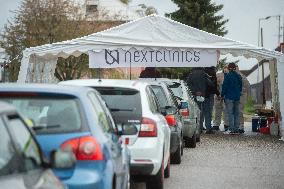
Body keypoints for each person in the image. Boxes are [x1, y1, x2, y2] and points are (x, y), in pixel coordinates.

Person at [186, 67, 214, 134]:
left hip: (195, 96)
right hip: (205, 96)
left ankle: (199, 128)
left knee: (198, 112)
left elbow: (188, 85)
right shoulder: (204, 74)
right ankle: (208, 128)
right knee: (207, 112)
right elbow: (210, 84)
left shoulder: (191, 75)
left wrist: (195, 91)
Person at [221, 63, 242, 134]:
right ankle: (236, 129)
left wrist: (222, 95)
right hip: (237, 97)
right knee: (236, 113)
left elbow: (224, 87)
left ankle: (231, 129)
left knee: (230, 113)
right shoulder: (239, 76)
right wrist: (238, 93)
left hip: (229, 97)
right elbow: (240, 87)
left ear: (228, 68)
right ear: (235, 68)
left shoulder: (227, 76)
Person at [213, 65, 229, 131]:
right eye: (225, 68)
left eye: (227, 68)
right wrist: (218, 93)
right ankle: (216, 124)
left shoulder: (230, 76)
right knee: (217, 110)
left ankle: (226, 124)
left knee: (226, 110)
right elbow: (214, 84)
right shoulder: (218, 75)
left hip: (227, 96)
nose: (225, 69)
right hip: (218, 95)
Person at [236, 65, 250, 133]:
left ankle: (241, 126)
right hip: (238, 96)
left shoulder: (241, 76)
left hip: (241, 96)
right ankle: (238, 126)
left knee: (239, 111)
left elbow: (247, 87)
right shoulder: (239, 76)